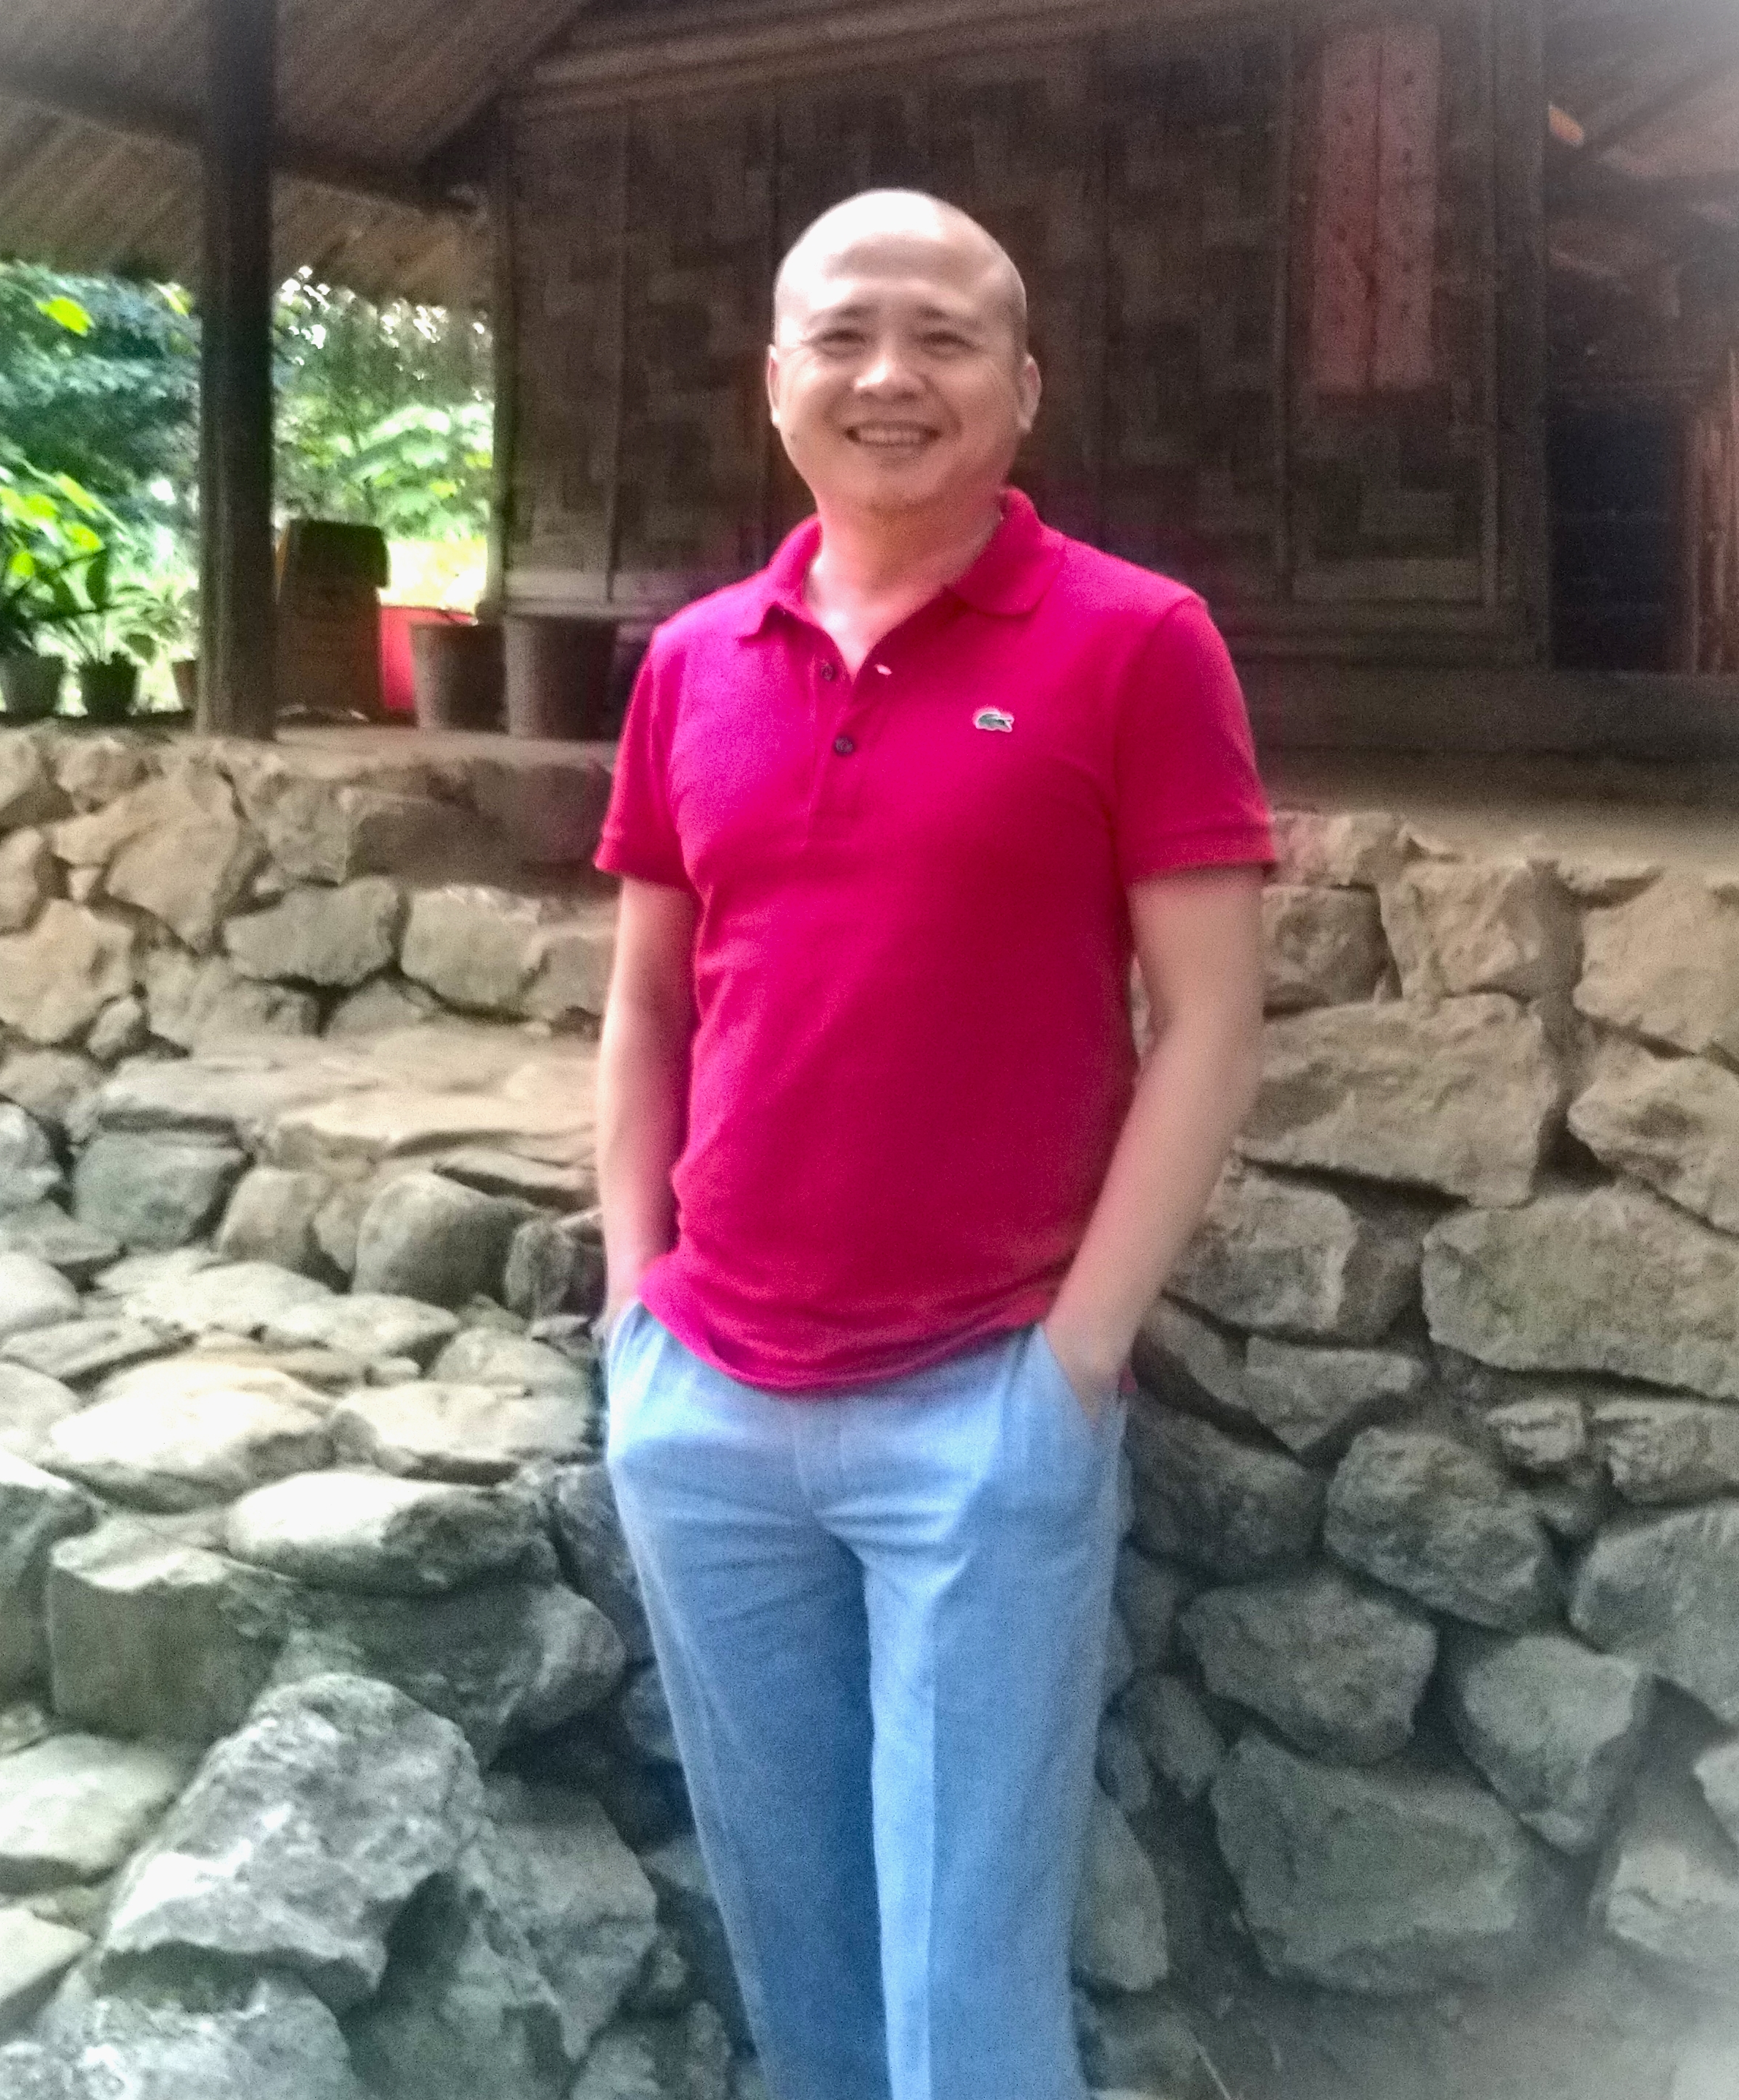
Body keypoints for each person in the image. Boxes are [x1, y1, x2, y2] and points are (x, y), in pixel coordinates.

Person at [593, 188, 1272, 2100]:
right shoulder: (692, 661)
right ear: (776, 382)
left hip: (980, 1409)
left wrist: (1073, 1367)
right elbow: (647, 1005)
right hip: (706, 1409)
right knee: (794, 1946)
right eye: (844, 335)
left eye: (944, 336)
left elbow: (1211, 1023)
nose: (889, 373)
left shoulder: (1136, 642)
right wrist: (634, 1317)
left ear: (1022, 387)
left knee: (966, 1989)